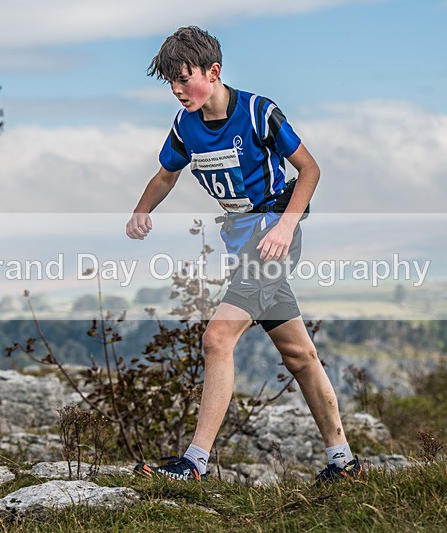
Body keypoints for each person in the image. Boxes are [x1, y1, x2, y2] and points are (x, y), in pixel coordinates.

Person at [126, 26, 361, 485]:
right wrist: (140, 210)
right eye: (170, 82)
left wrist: (287, 224)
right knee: (298, 354)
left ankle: (194, 463)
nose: (177, 89)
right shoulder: (185, 126)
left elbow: (309, 169)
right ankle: (343, 462)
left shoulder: (258, 112)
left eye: (184, 78)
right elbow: (165, 176)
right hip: (244, 246)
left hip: (276, 237)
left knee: (217, 339)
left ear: (213, 72)